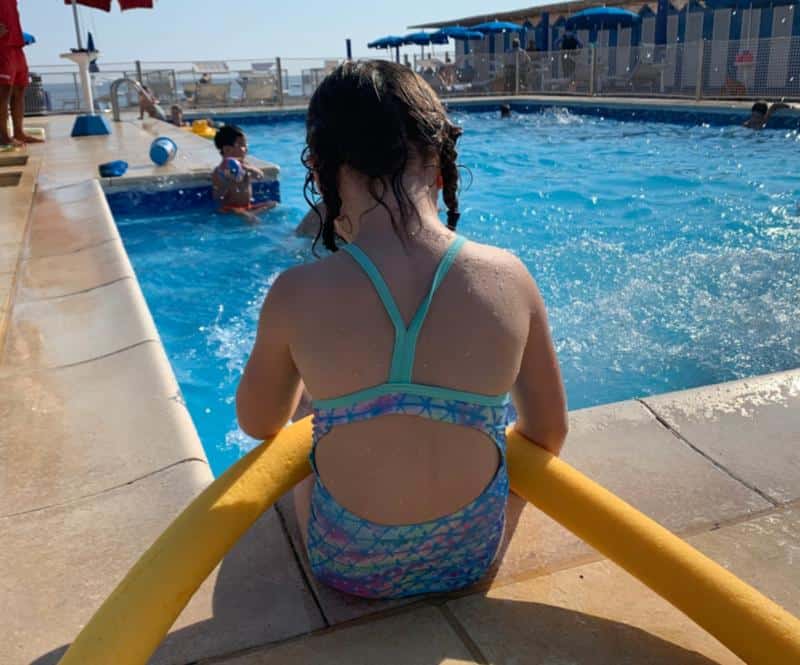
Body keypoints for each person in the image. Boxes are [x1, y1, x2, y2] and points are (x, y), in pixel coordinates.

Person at [236, 60, 568, 600]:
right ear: (439, 164)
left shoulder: (295, 292)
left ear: (322, 171)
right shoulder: (509, 276)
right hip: (472, 553)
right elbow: (548, 434)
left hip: (345, 562)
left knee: (303, 408)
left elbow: (258, 424)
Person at [212, 124, 276, 222]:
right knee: (249, 218)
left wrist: (248, 168)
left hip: (247, 206)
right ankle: (251, 216)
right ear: (227, 149)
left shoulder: (245, 165)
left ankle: (251, 213)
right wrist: (227, 181)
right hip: (230, 208)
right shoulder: (219, 171)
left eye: (245, 145)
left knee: (273, 204)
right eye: (242, 145)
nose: (246, 148)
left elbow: (259, 176)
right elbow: (217, 196)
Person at [0, 2, 43, 145]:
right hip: (2, 45)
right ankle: (4, 137)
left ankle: (19, 132)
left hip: (16, 44)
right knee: (3, 92)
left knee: (20, 89)